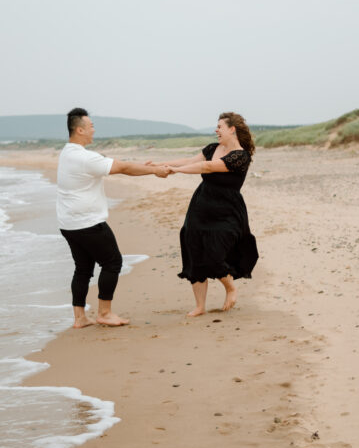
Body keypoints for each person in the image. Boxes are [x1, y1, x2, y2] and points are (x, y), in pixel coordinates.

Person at [57, 107, 170, 328]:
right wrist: (155, 171)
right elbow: (124, 168)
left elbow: (119, 165)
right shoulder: (84, 157)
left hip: (69, 223)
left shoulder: (68, 152)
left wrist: (143, 167)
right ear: (80, 130)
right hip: (88, 223)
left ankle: (80, 318)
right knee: (112, 262)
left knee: (83, 269)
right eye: (91, 126)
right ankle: (105, 313)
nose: (93, 130)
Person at [149, 112, 259, 317]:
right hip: (201, 204)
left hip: (227, 209)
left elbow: (207, 167)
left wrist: (174, 170)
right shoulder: (212, 148)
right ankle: (200, 306)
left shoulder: (240, 156)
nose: (216, 130)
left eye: (220, 127)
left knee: (215, 251)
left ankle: (230, 287)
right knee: (194, 250)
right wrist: (160, 164)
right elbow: (191, 160)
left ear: (232, 129)